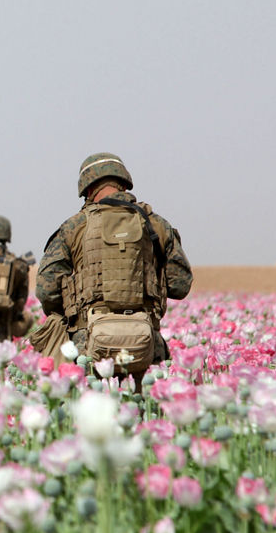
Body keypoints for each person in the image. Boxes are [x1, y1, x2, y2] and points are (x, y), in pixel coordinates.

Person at [32, 152, 192, 378]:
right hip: (146, 347)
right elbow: (180, 285)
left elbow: (46, 291)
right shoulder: (156, 225)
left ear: (88, 190)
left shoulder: (73, 227)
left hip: (86, 347)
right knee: (146, 411)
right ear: (123, 184)